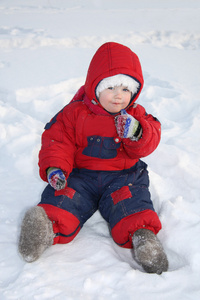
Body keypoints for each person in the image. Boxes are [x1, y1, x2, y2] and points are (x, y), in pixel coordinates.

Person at [18, 42, 168, 274]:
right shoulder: (74, 113)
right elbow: (57, 141)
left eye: (126, 90)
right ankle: (43, 228)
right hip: (82, 175)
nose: (119, 96)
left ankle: (144, 239)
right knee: (65, 197)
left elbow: (152, 137)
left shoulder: (136, 115)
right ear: (94, 86)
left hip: (123, 176)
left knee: (131, 203)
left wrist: (137, 132)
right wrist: (55, 168)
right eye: (111, 88)